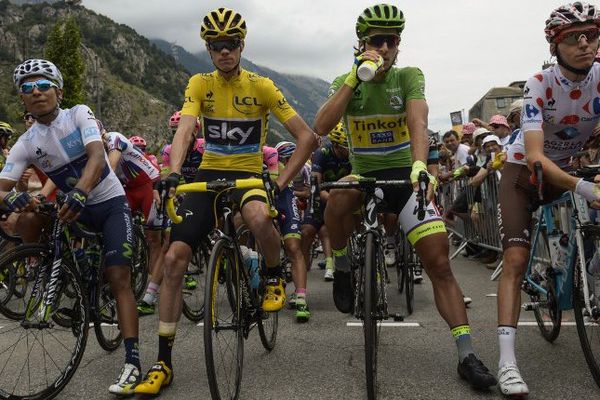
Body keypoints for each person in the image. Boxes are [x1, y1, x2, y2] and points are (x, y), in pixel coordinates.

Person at [134, 8, 317, 396]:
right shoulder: (200, 83)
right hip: (207, 177)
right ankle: (163, 362)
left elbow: (306, 137)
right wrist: (173, 171)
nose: (224, 52)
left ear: (241, 45)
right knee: (172, 259)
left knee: (256, 214)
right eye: (217, 46)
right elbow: (185, 128)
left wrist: (282, 182)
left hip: (249, 176)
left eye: (231, 44)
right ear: (209, 48)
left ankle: (271, 275)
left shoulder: (263, 86)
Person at [313, 4, 496, 390]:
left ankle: (466, 354)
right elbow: (322, 125)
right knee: (336, 201)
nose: (383, 47)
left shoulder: (408, 76)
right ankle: (343, 266)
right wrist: (353, 77)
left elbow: (418, 119)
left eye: (391, 40)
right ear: (361, 43)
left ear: (399, 44)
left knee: (439, 263)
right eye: (375, 40)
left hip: (405, 176)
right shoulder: (344, 81)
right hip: (364, 175)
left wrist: (418, 164)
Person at [0, 59, 141, 395]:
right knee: (31, 217)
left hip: (108, 204)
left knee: (119, 277)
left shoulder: (79, 114)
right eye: (27, 88)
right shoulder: (25, 142)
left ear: (58, 90)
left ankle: (133, 361)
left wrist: (80, 192)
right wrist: (8, 201)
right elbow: (2, 185)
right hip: (72, 210)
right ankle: (51, 272)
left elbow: (96, 156)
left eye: (43, 85)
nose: (36, 93)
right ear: (22, 98)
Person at [496, 3, 600, 397]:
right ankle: (507, 363)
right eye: (573, 37)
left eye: (591, 34)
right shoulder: (539, 83)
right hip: (525, 173)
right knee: (517, 259)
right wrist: (586, 187)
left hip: (568, 167)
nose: (585, 43)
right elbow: (538, 156)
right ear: (555, 45)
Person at [301, 123, 351, 282]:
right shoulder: (322, 153)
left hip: (342, 198)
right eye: (345, 147)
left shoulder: (351, 155)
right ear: (336, 145)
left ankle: (338, 261)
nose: (348, 150)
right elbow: (316, 185)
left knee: (329, 231)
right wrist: (333, 200)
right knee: (307, 231)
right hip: (321, 197)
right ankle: (302, 265)